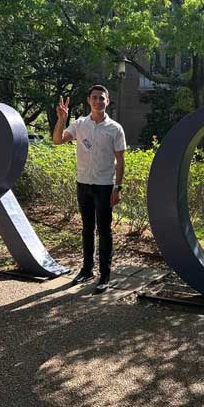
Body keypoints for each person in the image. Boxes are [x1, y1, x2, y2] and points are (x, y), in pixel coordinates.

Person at [53, 85, 126, 293]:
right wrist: (61, 119)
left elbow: (120, 160)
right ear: (88, 100)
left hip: (104, 186)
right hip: (83, 183)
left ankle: (105, 275)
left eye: (102, 98)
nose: (98, 101)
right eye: (94, 97)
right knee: (87, 229)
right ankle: (87, 270)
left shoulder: (115, 128)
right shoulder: (79, 124)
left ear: (107, 101)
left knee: (104, 231)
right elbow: (57, 140)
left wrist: (117, 187)